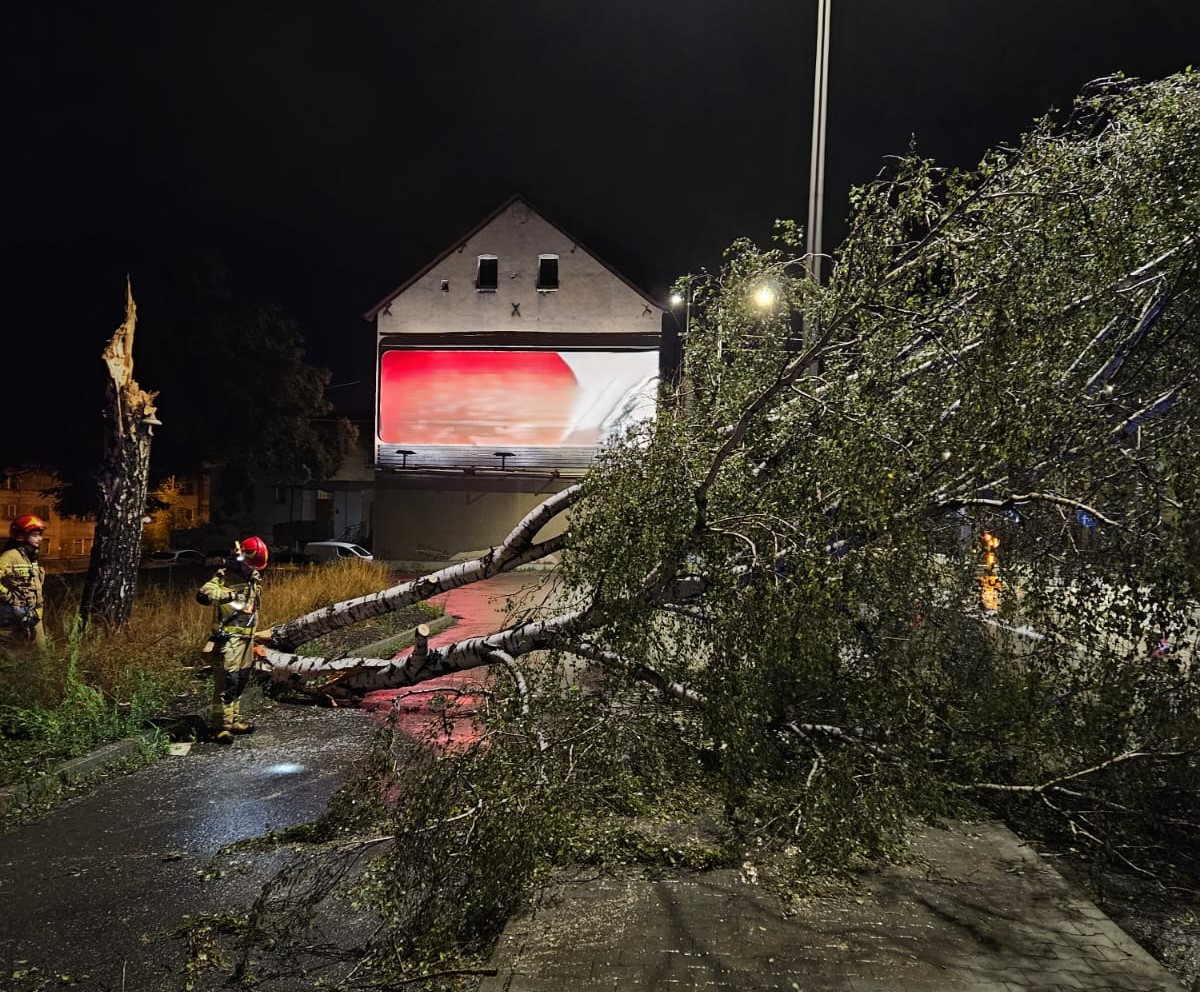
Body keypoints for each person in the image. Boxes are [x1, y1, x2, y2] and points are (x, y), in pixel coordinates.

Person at [196, 536, 268, 744]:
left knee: (241, 679)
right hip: (229, 638)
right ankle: (220, 727)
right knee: (228, 681)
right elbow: (204, 595)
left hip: (246, 637)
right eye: (249, 564)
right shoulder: (225, 575)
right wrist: (229, 596)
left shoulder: (253, 577)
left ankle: (233, 720)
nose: (252, 568)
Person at [0, 515, 48, 650]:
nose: (40, 538)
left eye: (40, 534)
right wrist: (9, 597)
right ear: (22, 535)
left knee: (41, 657)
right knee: (13, 657)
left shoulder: (30, 557)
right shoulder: (10, 557)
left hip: (34, 619)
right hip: (13, 620)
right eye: (35, 535)